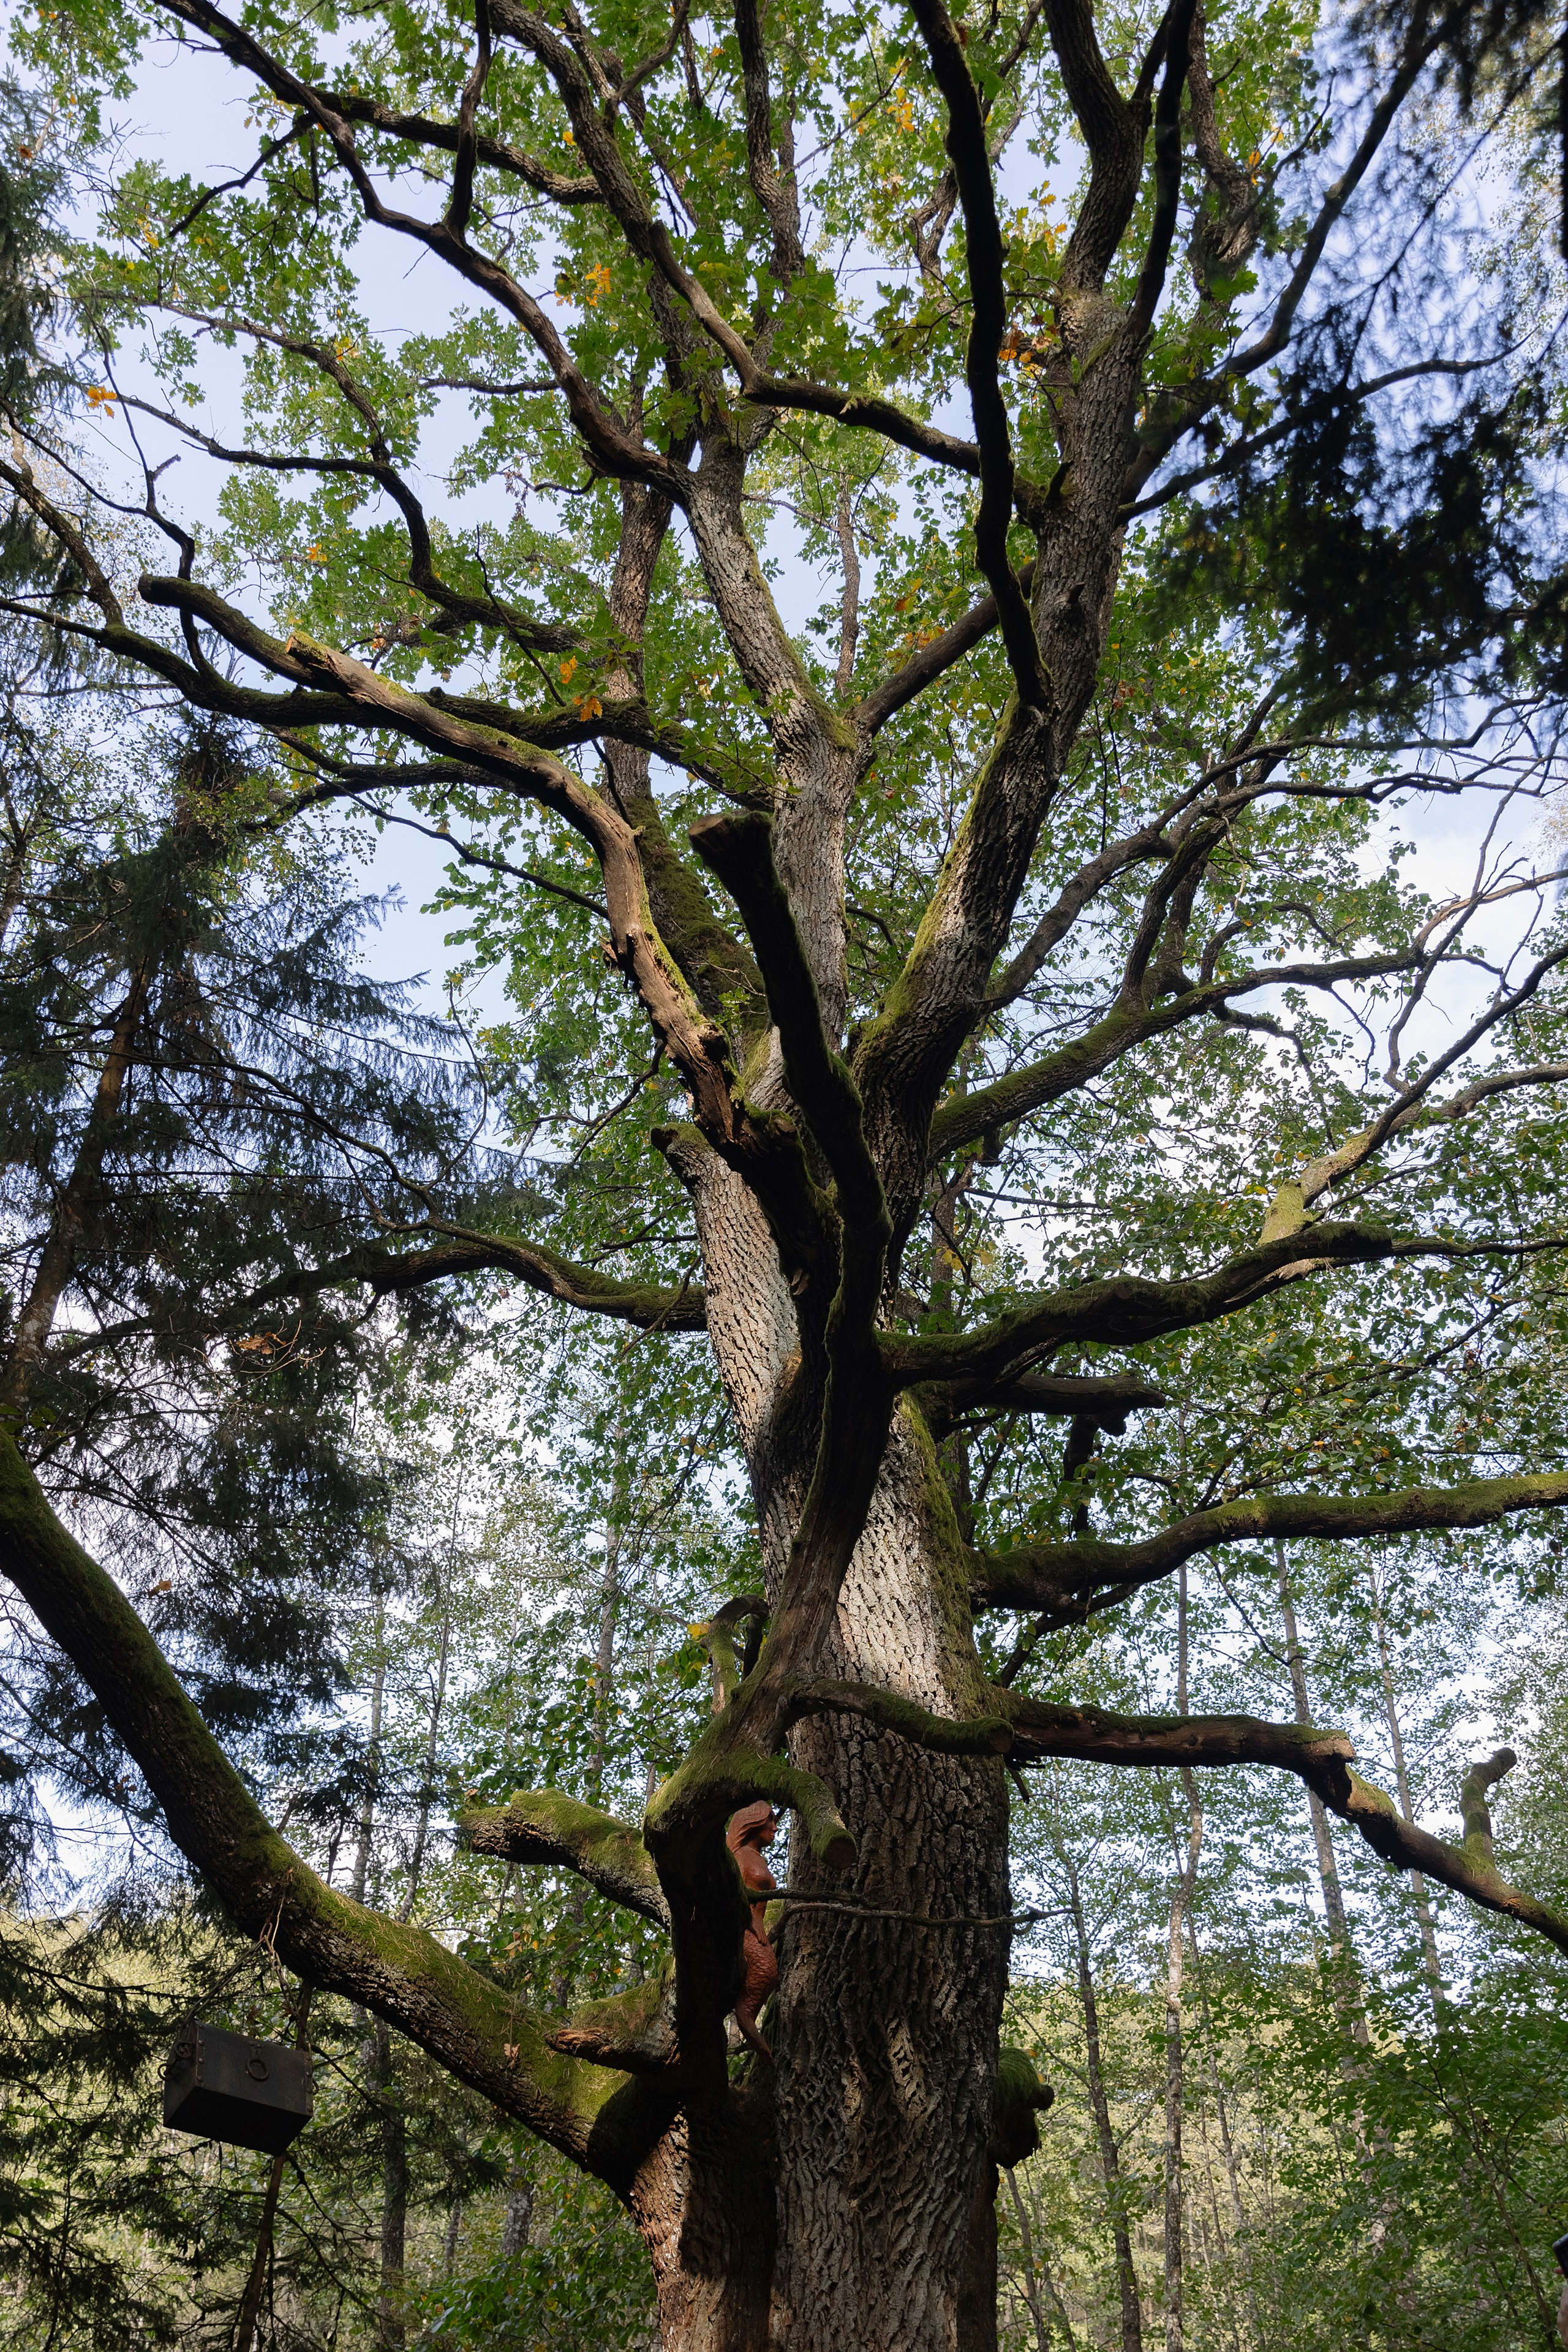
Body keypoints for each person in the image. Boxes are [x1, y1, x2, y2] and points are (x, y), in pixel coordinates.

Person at [725, 1801, 780, 2060]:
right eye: (770, 1821)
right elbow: (731, 1894)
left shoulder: (758, 1858)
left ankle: (748, 2016)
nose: (775, 1828)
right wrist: (749, 1919)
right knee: (765, 1970)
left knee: (768, 1971)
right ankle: (745, 2016)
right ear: (754, 1823)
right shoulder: (739, 1856)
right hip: (744, 1930)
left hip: (757, 1931)